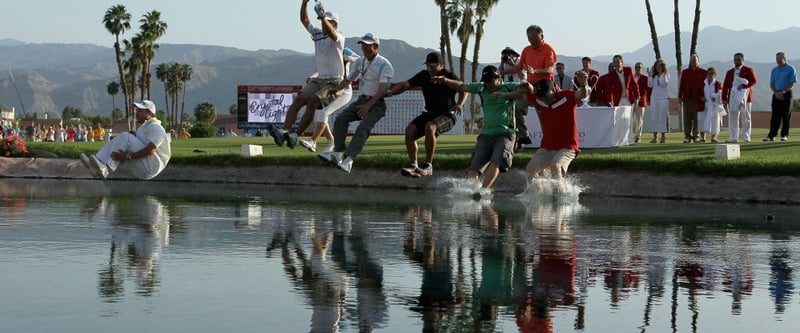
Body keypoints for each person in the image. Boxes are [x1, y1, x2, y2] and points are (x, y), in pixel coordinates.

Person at [434, 65, 529, 190]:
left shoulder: (509, 86)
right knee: (474, 168)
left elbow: (526, 91)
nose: (487, 84)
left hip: (505, 133)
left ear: (498, 78)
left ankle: (483, 191)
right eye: (485, 81)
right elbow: (461, 86)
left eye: (490, 81)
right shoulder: (481, 87)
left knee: (496, 161)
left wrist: (524, 82)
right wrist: (445, 80)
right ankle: (473, 192)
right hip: (486, 135)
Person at [270, 0, 345, 149]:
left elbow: (330, 32)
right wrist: (305, 2)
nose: (324, 24)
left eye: (329, 22)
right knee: (299, 100)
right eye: (324, 21)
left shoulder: (339, 38)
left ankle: (295, 135)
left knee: (313, 102)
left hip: (334, 82)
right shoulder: (317, 34)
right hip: (319, 79)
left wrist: (323, 17)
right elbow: (304, 20)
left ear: (335, 24)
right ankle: (284, 131)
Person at [318, 33, 394, 174]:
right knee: (341, 120)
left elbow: (381, 91)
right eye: (363, 45)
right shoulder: (360, 62)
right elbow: (348, 80)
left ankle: (349, 160)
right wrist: (335, 90)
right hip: (362, 101)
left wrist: (368, 106)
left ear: (376, 46)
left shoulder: (385, 65)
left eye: (368, 45)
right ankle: (337, 153)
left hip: (376, 103)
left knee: (363, 128)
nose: (364, 48)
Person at [386, 51, 467, 178]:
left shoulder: (448, 75)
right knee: (410, 130)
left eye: (433, 66)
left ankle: (428, 166)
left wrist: (459, 103)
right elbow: (405, 85)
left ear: (441, 65)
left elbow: (463, 88)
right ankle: (414, 166)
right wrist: (390, 93)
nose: (430, 69)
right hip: (430, 114)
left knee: (430, 127)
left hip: (447, 115)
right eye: (428, 66)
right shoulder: (424, 75)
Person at [80, 100, 171, 180]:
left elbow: (150, 150)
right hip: (146, 166)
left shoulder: (156, 127)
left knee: (125, 136)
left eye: (140, 111)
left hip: (151, 167)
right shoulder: (144, 127)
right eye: (137, 110)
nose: (136, 113)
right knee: (123, 137)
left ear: (149, 113)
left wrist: (127, 156)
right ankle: (96, 166)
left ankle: (105, 169)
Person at [498, 25, 557, 150]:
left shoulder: (548, 49)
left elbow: (550, 69)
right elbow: (518, 68)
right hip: (530, 87)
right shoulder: (526, 50)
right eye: (530, 39)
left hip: (544, 88)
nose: (532, 42)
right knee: (516, 107)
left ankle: (549, 144)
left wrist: (535, 71)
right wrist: (502, 73)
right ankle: (523, 136)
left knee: (544, 117)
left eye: (535, 39)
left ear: (542, 36)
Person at [526, 72, 591, 181]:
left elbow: (582, 95)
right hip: (547, 147)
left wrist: (583, 84)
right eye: (541, 97)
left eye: (546, 97)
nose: (544, 100)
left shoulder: (567, 96)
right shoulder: (539, 99)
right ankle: (539, 195)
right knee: (530, 170)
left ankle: (560, 196)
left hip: (568, 146)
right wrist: (504, 94)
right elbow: (521, 94)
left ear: (554, 90)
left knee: (555, 166)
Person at [298, 46, 360, 154]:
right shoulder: (327, 55)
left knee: (323, 113)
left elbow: (358, 59)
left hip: (344, 90)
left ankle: (313, 142)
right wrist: (312, 76)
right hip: (330, 88)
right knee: (318, 115)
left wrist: (346, 58)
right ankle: (331, 142)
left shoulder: (343, 49)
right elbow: (319, 70)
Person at [721, 52, 758, 143]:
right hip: (732, 98)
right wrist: (724, 98)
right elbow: (725, 85)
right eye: (735, 59)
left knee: (745, 117)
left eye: (738, 59)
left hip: (745, 98)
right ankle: (733, 137)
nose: (736, 61)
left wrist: (744, 86)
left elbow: (753, 81)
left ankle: (746, 136)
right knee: (733, 117)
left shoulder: (748, 70)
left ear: (742, 60)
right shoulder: (730, 72)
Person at [765, 51, 797, 142]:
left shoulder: (791, 69)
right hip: (776, 93)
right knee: (775, 116)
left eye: (780, 59)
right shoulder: (774, 70)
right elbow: (772, 84)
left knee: (786, 115)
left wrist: (783, 91)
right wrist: (776, 92)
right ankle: (771, 135)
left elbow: (792, 83)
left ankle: (784, 135)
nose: (778, 61)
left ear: (785, 59)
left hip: (787, 93)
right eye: (777, 59)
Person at [678, 53, 707, 143]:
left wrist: (704, 97)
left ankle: (696, 136)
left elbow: (706, 86)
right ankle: (687, 136)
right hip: (687, 98)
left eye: (695, 60)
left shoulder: (703, 72)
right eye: (692, 60)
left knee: (697, 118)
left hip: (698, 99)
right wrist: (679, 96)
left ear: (698, 61)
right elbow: (682, 85)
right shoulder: (685, 72)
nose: (693, 62)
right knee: (687, 118)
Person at [648, 59, 670, 144]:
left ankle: (663, 136)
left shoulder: (666, 75)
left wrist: (663, 74)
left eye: (659, 66)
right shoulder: (654, 76)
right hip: (654, 98)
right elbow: (649, 85)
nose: (658, 67)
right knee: (654, 117)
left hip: (663, 98)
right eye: (656, 66)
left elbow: (664, 84)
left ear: (663, 67)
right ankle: (655, 137)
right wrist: (650, 76)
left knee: (662, 117)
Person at [701, 67, 724, 143]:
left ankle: (714, 137)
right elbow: (698, 92)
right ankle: (702, 137)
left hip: (714, 105)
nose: (710, 75)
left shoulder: (718, 83)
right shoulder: (703, 83)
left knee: (715, 121)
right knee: (702, 120)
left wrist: (716, 97)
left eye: (712, 73)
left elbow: (721, 94)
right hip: (705, 104)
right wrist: (701, 97)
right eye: (708, 73)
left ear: (715, 75)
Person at [632, 62, 650, 143]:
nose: (638, 69)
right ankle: (629, 135)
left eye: (639, 67)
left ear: (642, 69)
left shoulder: (645, 78)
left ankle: (638, 136)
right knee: (630, 119)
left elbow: (648, 90)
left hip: (641, 101)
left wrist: (647, 101)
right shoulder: (631, 77)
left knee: (639, 120)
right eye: (636, 67)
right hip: (631, 101)